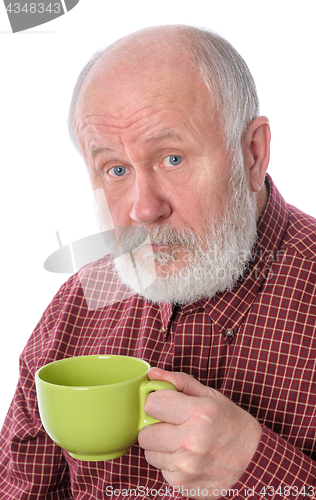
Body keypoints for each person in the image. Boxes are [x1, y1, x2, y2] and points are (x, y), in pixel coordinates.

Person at [1, 24, 316, 500]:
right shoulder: (75, 309)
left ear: (253, 154)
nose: (143, 210)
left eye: (172, 158)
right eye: (116, 169)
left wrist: (263, 474)